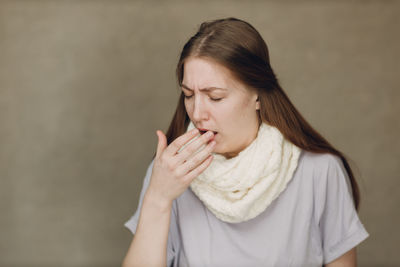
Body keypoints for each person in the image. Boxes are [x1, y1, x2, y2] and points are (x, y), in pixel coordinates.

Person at [122, 17, 369, 267]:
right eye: (188, 95)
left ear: (258, 95)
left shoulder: (319, 171)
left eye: (215, 97)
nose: (197, 114)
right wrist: (158, 198)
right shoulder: (168, 174)